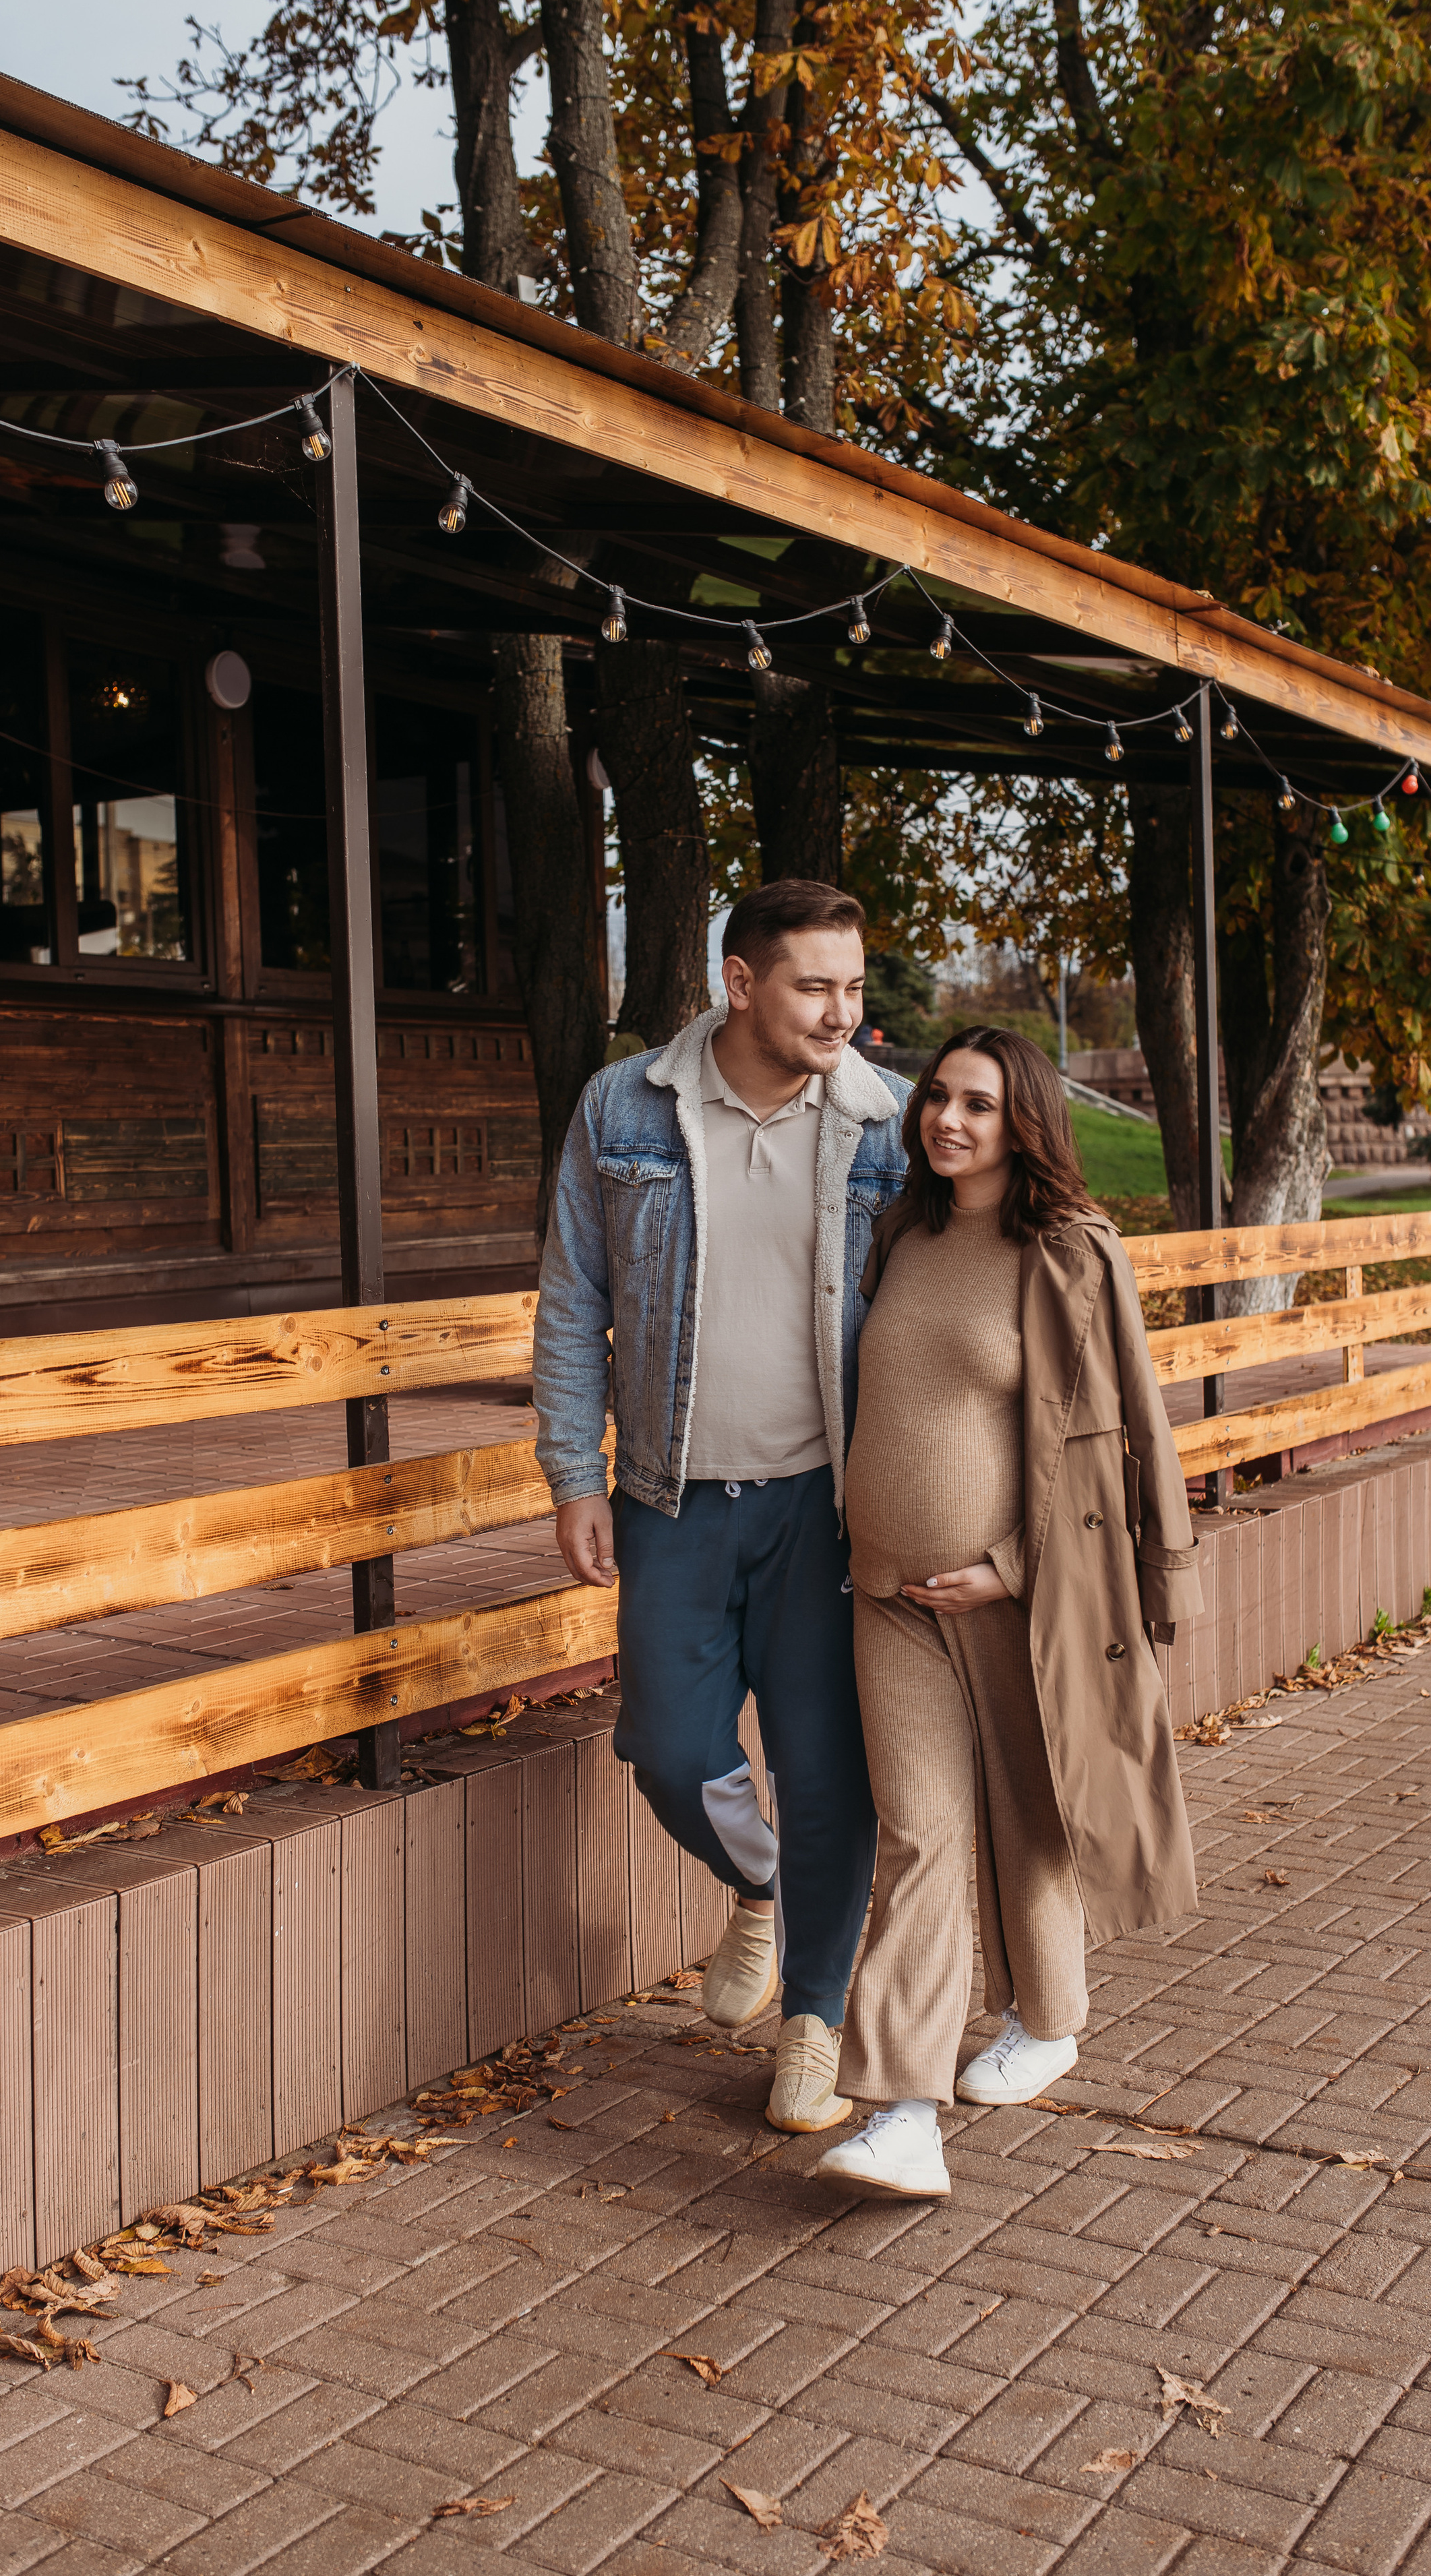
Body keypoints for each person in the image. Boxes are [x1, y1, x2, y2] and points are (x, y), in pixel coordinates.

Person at [532, 878, 911, 2133]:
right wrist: (574, 1477)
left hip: (825, 1505)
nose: (842, 1013)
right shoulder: (625, 1106)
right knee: (671, 1753)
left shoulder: (886, 1124)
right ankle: (759, 1887)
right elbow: (572, 1302)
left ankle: (814, 2017)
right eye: (815, 986)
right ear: (739, 983)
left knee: (826, 1769)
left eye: (855, 988)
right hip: (672, 1501)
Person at [816, 1025, 1204, 2199]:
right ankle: (905, 2112)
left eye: (978, 1105)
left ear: (1024, 1118)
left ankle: (1049, 2015)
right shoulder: (903, 1234)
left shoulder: (1069, 1253)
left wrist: (1017, 1564)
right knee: (921, 1832)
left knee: (1033, 1818)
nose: (948, 1121)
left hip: (1014, 1594)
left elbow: (1126, 1430)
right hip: (885, 1594)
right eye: (937, 1098)